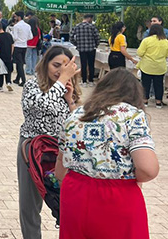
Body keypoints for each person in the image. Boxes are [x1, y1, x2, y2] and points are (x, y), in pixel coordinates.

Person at [55, 69, 158, 239]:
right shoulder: (132, 116)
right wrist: (131, 176)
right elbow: (148, 169)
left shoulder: (76, 115)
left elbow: (61, 164)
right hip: (117, 196)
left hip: (75, 192)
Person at [18, 46, 80, 239]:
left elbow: (79, 124)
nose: (60, 71)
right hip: (33, 150)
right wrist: (61, 82)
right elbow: (43, 106)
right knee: (30, 205)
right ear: (45, 64)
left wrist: (70, 100)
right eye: (56, 65)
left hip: (61, 152)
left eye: (65, 67)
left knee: (66, 203)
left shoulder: (68, 88)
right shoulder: (32, 86)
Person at [137, 24, 168, 108]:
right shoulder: (166, 42)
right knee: (159, 84)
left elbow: (140, 53)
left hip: (147, 66)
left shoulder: (146, 40)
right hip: (160, 66)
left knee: (145, 83)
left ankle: (145, 101)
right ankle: (158, 102)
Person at [71, 14, 100, 87]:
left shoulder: (77, 26)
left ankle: (84, 81)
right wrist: (96, 44)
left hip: (81, 48)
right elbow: (97, 37)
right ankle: (91, 81)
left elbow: (71, 37)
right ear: (89, 18)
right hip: (91, 48)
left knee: (83, 64)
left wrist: (77, 44)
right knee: (91, 65)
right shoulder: (92, 26)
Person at [11, 11, 33, 87]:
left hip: (18, 45)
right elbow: (30, 36)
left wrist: (11, 33)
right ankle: (17, 79)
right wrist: (24, 39)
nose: (15, 18)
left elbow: (15, 37)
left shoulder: (16, 26)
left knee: (19, 64)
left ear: (19, 17)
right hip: (24, 46)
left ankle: (23, 80)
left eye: (16, 17)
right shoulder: (28, 26)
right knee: (21, 62)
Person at [0, 22, 14, 92]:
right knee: (8, 70)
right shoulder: (9, 35)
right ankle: (8, 82)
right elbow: (12, 45)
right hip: (8, 55)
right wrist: (11, 54)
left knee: (0, 71)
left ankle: (0, 86)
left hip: (0, 56)